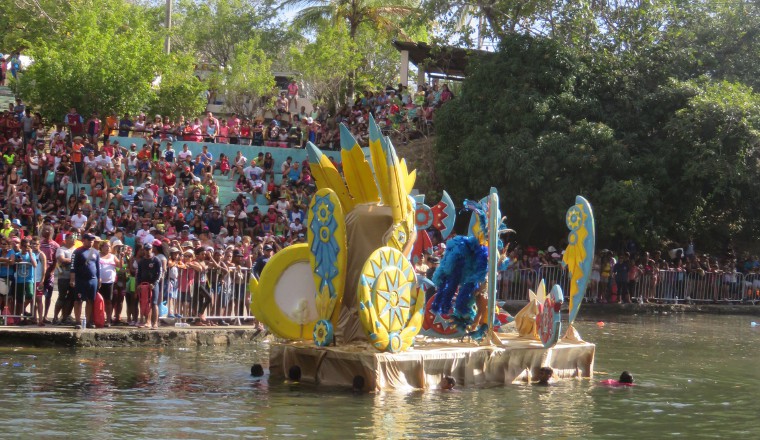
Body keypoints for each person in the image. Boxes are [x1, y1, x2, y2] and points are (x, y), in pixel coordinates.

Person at [70, 233, 100, 329]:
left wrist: (99, 279)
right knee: (78, 300)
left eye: (92, 240)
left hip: (92, 280)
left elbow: (98, 267)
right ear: (84, 240)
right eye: (89, 240)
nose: (91, 242)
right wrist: (72, 279)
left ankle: (88, 321)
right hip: (80, 280)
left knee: (90, 300)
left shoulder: (96, 252)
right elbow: (72, 267)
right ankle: (78, 321)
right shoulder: (77, 252)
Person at [135, 242, 163, 329]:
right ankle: (145, 321)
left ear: (152, 249)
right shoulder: (141, 261)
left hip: (153, 284)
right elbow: (138, 274)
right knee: (144, 303)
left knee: (154, 303)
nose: (147, 251)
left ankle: (155, 323)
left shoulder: (156, 260)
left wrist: (154, 283)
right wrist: (138, 284)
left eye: (149, 249)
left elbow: (160, 273)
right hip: (143, 285)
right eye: (146, 250)